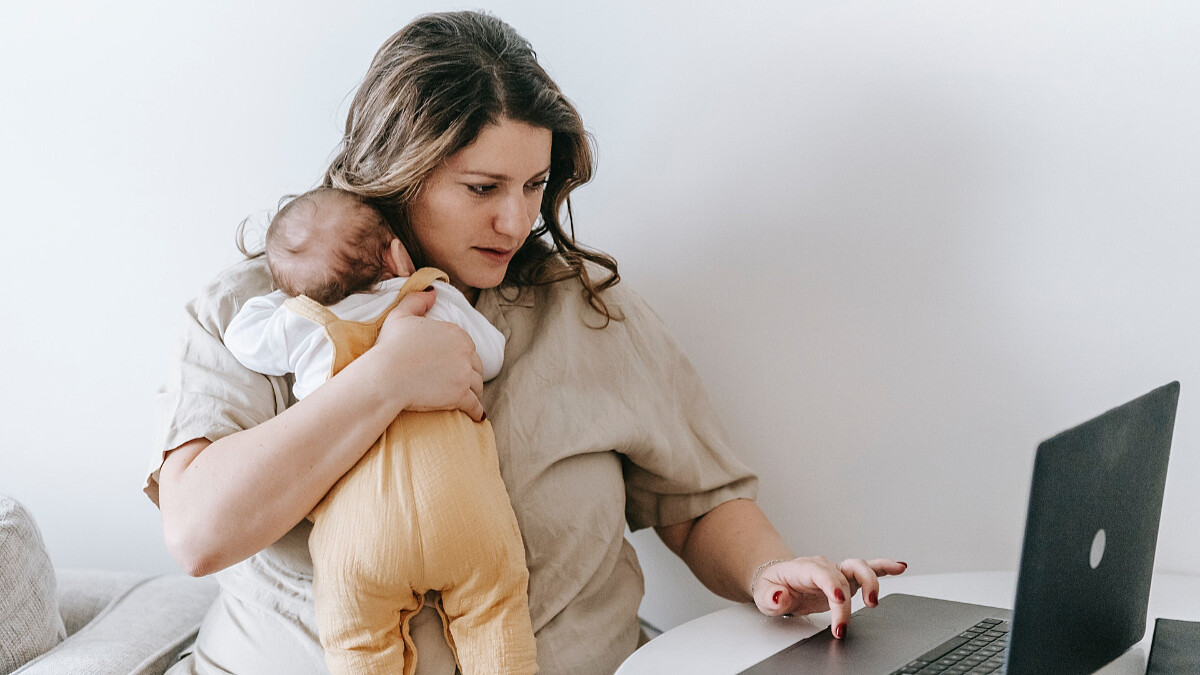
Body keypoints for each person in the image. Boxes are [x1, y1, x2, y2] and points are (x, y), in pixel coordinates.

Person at [146, 10, 906, 675]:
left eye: (534, 185)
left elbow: (695, 501)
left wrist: (769, 570)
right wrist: (385, 381)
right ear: (396, 173)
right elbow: (199, 532)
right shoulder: (258, 313)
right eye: (482, 188)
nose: (516, 221)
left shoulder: (586, 312)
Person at [222, 186, 536, 675]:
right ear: (396, 251)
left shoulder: (305, 323)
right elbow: (490, 353)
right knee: (495, 614)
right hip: (461, 510)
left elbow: (242, 337)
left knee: (358, 643)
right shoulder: (431, 298)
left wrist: (290, 297)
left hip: (361, 536)